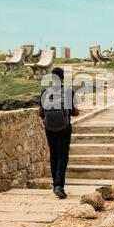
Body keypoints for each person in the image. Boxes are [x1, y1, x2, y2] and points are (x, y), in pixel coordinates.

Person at [38, 67, 79, 199]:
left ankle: (55, 184)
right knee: (63, 155)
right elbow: (75, 112)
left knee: (54, 154)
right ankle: (59, 185)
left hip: (49, 128)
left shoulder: (45, 92)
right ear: (62, 78)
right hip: (64, 128)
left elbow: (40, 112)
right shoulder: (68, 92)